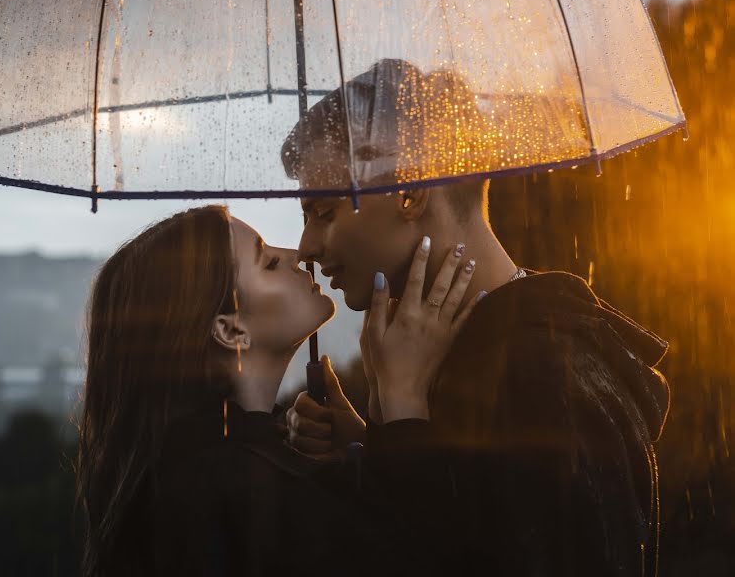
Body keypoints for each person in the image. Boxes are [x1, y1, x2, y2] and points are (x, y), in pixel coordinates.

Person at [284, 59, 671, 576]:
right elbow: (475, 527)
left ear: (409, 193)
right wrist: (372, 445)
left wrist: (401, 414)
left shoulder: (540, 371)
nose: (307, 248)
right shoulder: (476, 355)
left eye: (324, 211)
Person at [74, 204, 478, 576]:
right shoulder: (234, 491)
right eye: (268, 262)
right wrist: (403, 399)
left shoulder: (207, 470)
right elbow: (425, 558)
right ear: (231, 329)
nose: (297, 255)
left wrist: (359, 447)